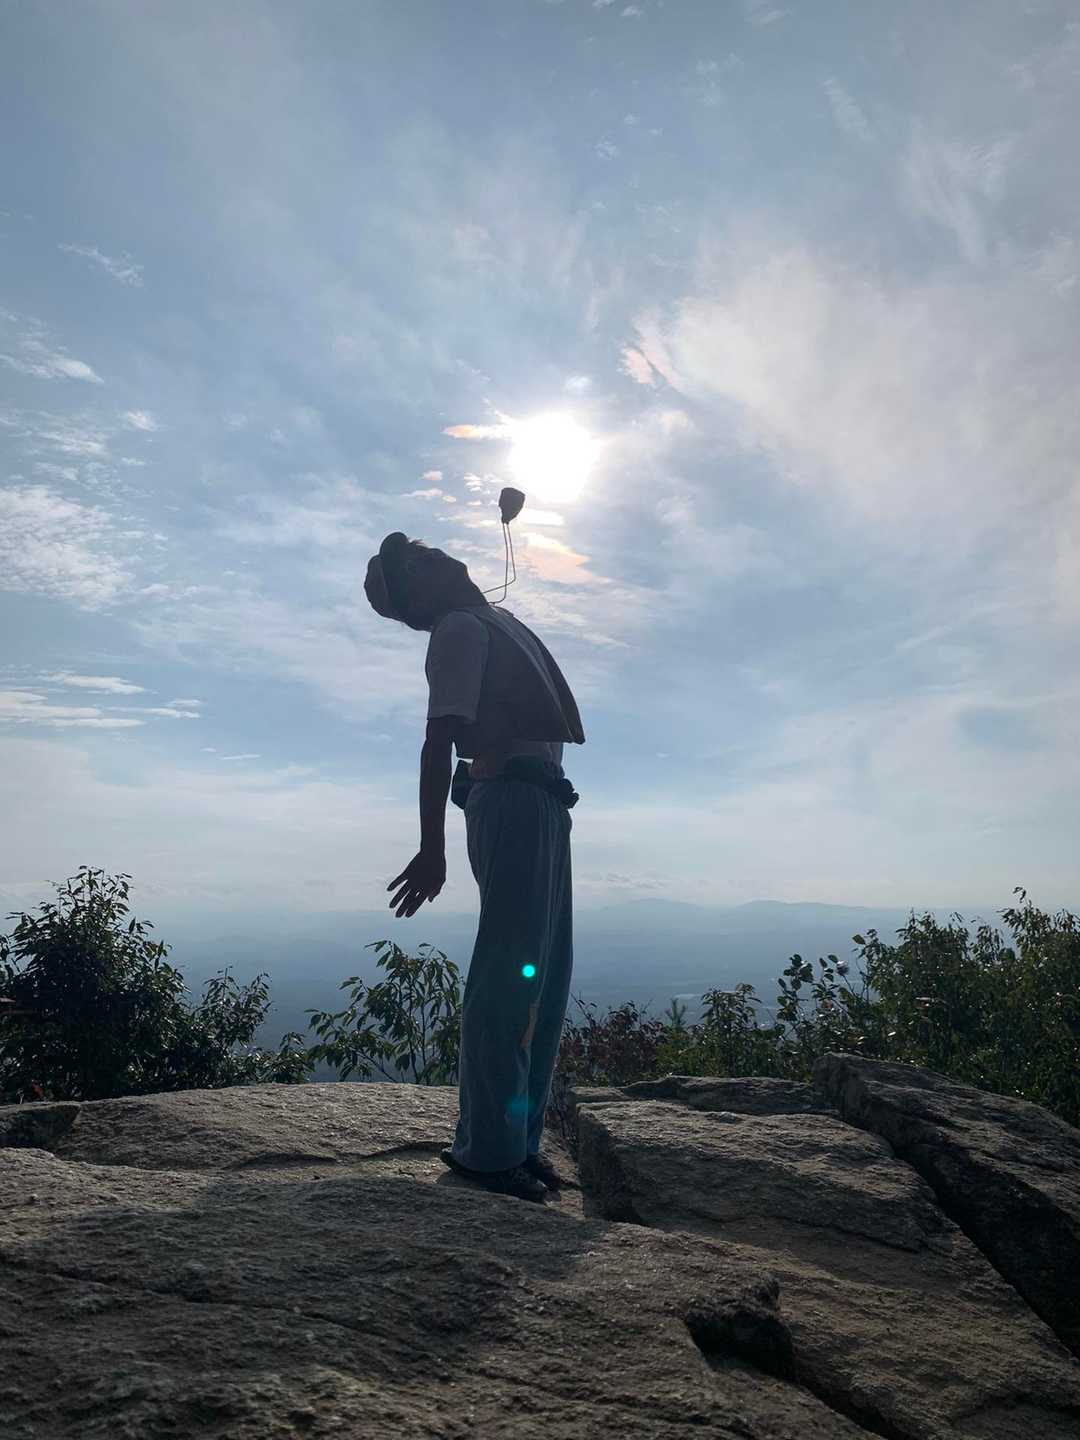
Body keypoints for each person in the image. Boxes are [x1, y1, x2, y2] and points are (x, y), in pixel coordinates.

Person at [364, 532, 585, 1203]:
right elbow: (439, 740)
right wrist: (431, 848)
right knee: (508, 980)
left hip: (541, 804)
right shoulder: (459, 629)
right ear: (417, 597)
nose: (432, 555)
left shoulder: (491, 619)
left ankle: (518, 1141)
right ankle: (486, 1155)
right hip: (512, 800)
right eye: (415, 562)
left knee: (543, 981)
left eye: (422, 550)